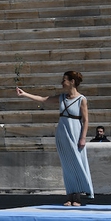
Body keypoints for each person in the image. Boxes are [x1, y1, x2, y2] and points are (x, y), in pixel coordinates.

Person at [16, 71, 94, 206]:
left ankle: (78, 196)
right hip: (62, 133)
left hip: (75, 132)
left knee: (77, 163)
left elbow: (86, 120)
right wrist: (25, 94)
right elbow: (43, 99)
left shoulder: (82, 99)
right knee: (66, 165)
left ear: (72, 82)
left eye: (64, 80)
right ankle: (69, 196)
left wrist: (83, 137)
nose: (62, 83)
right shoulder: (62, 97)